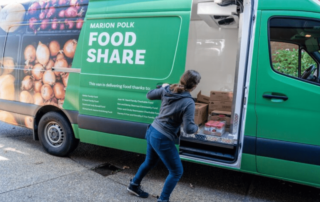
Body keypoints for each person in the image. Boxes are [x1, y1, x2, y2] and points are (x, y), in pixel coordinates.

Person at [127, 70, 201, 202]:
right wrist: (197, 128)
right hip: (162, 137)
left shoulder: (168, 89)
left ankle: (133, 185)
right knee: (176, 171)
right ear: (194, 86)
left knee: (149, 162)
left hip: (152, 130)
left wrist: (163, 87)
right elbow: (189, 129)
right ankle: (163, 199)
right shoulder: (188, 102)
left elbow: (149, 95)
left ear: (181, 79)